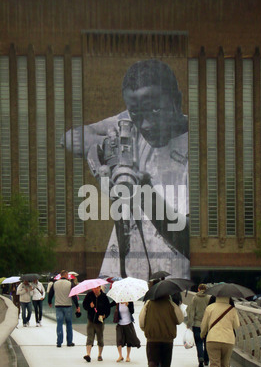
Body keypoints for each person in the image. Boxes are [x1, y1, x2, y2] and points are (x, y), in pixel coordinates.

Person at [65, 59, 190, 281]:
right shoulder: (131, 123)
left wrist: (143, 192)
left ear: (177, 101)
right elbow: (71, 137)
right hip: (132, 272)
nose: (145, 125)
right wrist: (103, 153)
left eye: (155, 111)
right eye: (136, 114)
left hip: (176, 280)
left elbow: (187, 238)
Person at [139, 294, 184, 367]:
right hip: (167, 339)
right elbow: (180, 319)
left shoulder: (148, 304)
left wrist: (145, 329)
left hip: (152, 339)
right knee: (165, 364)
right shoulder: (171, 304)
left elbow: (142, 320)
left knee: (152, 361)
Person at [200, 296, 240, 367]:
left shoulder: (210, 307)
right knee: (225, 365)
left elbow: (204, 324)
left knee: (214, 364)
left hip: (212, 338)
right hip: (228, 340)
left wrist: (202, 334)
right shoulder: (232, 309)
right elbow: (236, 325)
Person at [48, 269, 80, 347]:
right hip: (68, 306)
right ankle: (69, 342)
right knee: (69, 324)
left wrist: (49, 302)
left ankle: (59, 342)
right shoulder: (70, 284)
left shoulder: (55, 283)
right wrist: (77, 306)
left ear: (60, 275)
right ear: (66, 275)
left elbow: (50, 293)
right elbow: (74, 296)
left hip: (58, 306)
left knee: (59, 323)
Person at [83, 286, 111, 362]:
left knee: (100, 338)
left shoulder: (104, 297)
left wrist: (104, 316)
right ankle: (88, 354)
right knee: (90, 337)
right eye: (94, 288)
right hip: (91, 320)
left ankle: (100, 355)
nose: (95, 289)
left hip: (100, 321)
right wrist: (89, 306)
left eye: (97, 288)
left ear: (100, 288)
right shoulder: (89, 295)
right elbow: (84, 306)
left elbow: (108, 309)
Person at [186, 283, 210, 367]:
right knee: (207, 342)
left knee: (199, 342)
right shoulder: (209, 298)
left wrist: (189, 323)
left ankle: (200, 357)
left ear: (198, 289)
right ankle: (206, 359)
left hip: (197, 324)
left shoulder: (195, 298)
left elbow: (191, 312)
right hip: (207, 324)